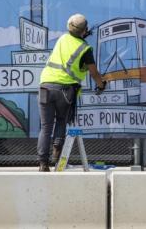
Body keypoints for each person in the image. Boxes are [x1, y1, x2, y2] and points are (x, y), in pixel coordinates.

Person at [37, 13, 106, 172]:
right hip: (65, 90)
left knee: (45, 127)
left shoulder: (62, 39)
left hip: (45, 85)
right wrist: (101, 86)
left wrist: (81, 34)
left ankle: (42, 163)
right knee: (61, 121)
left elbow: (70, 44)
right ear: (85, 30)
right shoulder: (85, 48)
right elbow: (94, 73)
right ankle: (57, 154)